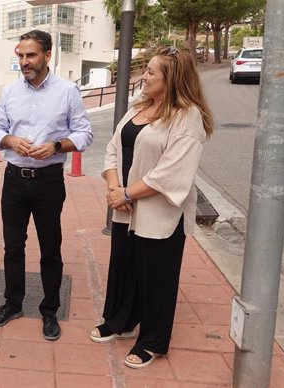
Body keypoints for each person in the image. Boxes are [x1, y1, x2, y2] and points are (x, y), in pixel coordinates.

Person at [90, 46, 213, 369]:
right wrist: (116, 189)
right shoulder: (137, 107)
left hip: (159, 214)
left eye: (151, 72)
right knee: (124, 267)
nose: (144, 76)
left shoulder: (188, 118)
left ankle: (153, 341)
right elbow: (113, 148)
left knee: (156, 278)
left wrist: (127, 193)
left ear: (171, 80)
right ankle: (121, 322)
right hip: (125, 205)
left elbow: (171, 172)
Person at [0, 30, 93, 341]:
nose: (24, 61)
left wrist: (56, 147)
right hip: (14, 179)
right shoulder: (10, 92)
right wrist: (8, 140)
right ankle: (13, 303)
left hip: (48, 181)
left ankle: (50, 311)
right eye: (20, 55)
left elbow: (84, 133)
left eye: (31, 55)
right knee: (12, 246)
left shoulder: (67, 91)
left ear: (47, 55)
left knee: (50, 248)